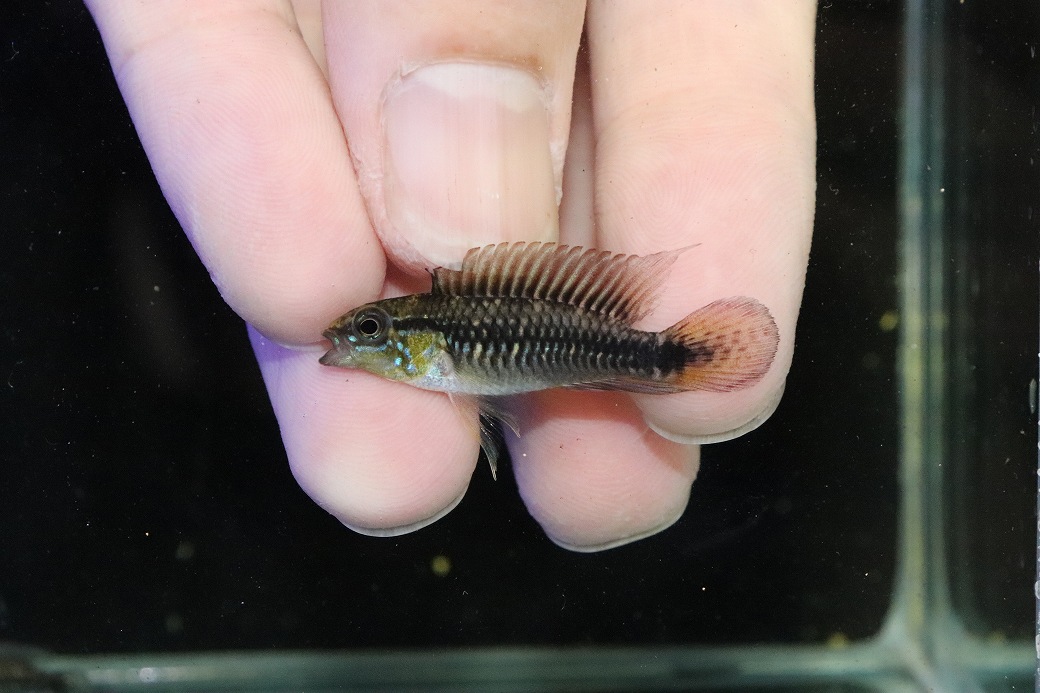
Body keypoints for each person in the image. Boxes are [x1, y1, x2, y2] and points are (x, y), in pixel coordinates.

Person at [85, 2, 816, 552]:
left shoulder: (442, 342)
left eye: (370, 330)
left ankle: (680, 359)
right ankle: (675, 362)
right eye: (365, 330)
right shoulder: (436, 347)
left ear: (417, 337)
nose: (354, 339)